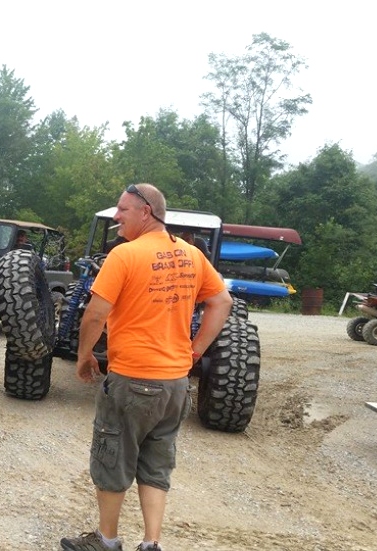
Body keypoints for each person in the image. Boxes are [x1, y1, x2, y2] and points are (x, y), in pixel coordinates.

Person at [61, 183, 233, 551]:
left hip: (133, 379)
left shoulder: (125, 255)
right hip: (175, 384)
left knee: (112, 458)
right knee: (156, 465)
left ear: (146, 212)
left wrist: (84, 355)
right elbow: (222, 301)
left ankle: (106, 540)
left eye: (122, 209)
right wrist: (194, 351)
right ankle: (151, 544)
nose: (116, 216)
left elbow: (95, 313)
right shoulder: (191, 255)